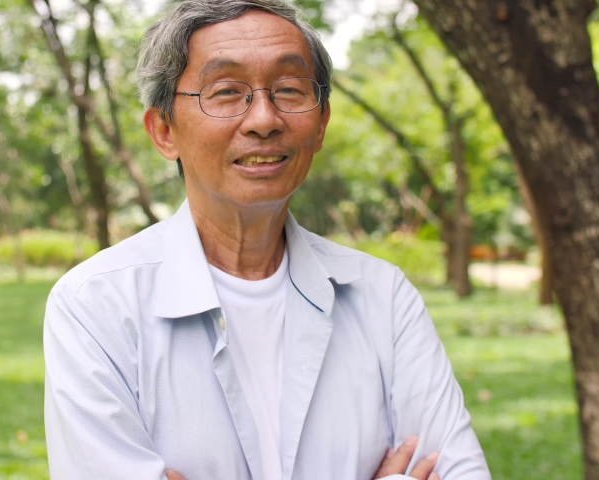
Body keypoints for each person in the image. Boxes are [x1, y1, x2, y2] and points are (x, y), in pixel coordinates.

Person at [43, 1, 491, 479]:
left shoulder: (383, 295)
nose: (263, 118)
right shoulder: (96, 305)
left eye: (290, 89)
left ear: (320, 123)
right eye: (226, 91)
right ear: (164, 130)